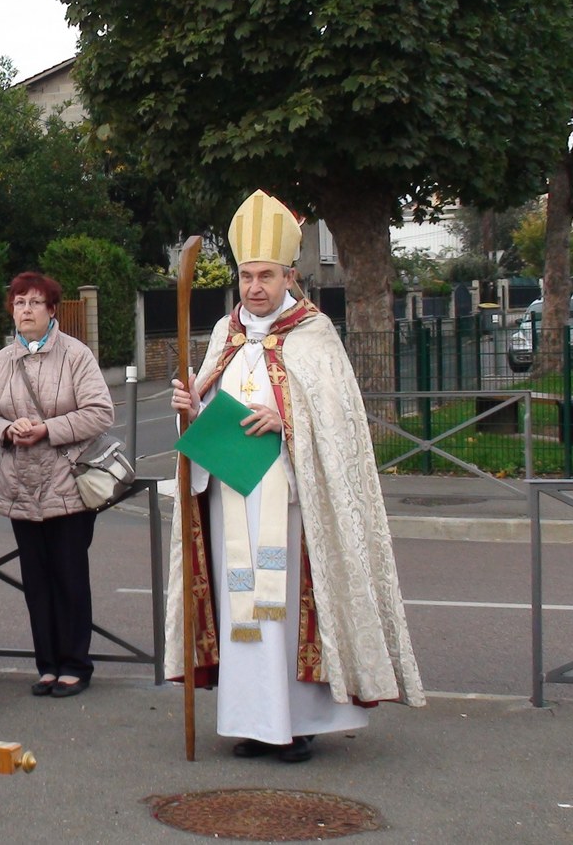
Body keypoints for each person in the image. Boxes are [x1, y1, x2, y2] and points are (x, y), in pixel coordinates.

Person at [165, 190, 424, 762]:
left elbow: (337, 421)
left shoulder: (314, 333)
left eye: (266, 276)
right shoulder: (224, 333)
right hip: (230, 492)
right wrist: (191, 405)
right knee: (241, 609)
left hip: (291, 502)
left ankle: (298, 723)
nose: (254, 287)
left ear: (289, 276)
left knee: (283, 613)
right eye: (246, 276)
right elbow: (205, 404)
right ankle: (253, 722)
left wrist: (287, 420)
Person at [0, 272, 113, 698]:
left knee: (69, 578)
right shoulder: (4, 359)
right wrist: (7, 429)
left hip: (67, 485)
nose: (26, 310)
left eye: (35, 303)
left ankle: (75, 665)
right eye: (19, 303)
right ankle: (47, 665)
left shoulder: (76, 354)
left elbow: (100, 412)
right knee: (36, 583)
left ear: (52, 310)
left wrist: (47, 429)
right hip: (20, 487)